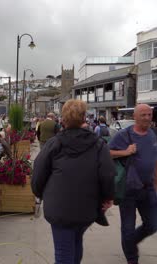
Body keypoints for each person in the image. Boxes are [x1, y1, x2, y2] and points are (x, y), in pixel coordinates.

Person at [32, 99, 116, 264]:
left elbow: (38, 174)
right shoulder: (98, 144)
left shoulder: (53, 144)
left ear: (63, 119)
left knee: (64, 253)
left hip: (59, 209)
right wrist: (108, 197)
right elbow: (107, 174)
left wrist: (41, 193)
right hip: (86, 207)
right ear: (84, 117)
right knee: (76, 242)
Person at [109, 104, 157, 264]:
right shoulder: (124, 135)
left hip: (148, 189)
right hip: (128, 190)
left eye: (149, 115)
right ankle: (132, 258)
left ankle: (130, 243)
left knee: (152, 225)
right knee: (128, 228)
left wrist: (156, 183)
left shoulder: (153, 134)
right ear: (135, 117)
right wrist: (125, 152)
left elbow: (156, 161)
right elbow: (105, 153)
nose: (147, 118)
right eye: (143, 115)